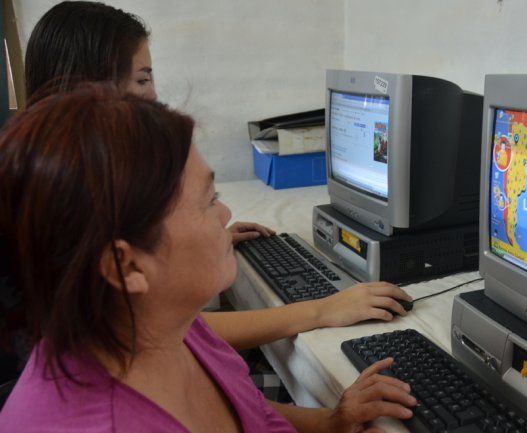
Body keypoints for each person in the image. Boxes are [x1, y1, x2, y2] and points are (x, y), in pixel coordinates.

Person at [0, 84, 415, 432]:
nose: (226, 215)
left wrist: (331, 422)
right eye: (208, 201)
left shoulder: (157, 326)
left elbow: (246, 413)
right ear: (127, 267)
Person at [21, 1, 413, 355]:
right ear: (93, 89)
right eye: (142, 80)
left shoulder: (54, 172)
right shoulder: (80, 200)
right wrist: (319, 311)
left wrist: (190, 242)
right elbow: (168, 332)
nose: (154, 96)